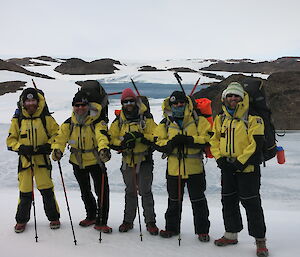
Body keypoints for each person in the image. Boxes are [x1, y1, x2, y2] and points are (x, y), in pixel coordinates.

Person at [210, 82, 269, 257]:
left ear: (243, 98)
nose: (233, 99)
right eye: (230, 96)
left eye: (236, 96)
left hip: (248, 169)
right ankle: (231, 234)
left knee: (251, 204)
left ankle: (260, 241)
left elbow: (256, 143)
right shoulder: (221, 118)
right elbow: (214, 140)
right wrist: (220, 159)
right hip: (227, 168)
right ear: (224, 98)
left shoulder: (253, 118)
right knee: (228, 201)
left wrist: (240, 162)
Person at [51, 90, 112, 233]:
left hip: (96, 161)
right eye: (77, 105)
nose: (80, 108)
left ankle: (101, 221)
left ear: (88, 105)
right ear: (73, 106)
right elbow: (60, 138)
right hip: (77, 162)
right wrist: (57, 150)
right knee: (85, 191)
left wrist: (104, 149)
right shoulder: (69, 123)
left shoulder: (97, 121)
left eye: (83, 105)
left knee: (102, 192)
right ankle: (91, 216)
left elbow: (101, 135)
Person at [154, 91, 211, 242]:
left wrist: (188, 140)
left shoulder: (198, 120)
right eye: (175, 103)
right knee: (174, 201)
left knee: (198, 201)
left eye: (181, 102)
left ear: (186, 103)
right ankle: (171, 229)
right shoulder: (165, 122)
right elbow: (158, 141)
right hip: (174, 170)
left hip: (195, 169)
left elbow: (207, 138)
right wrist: (171, 143)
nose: (179, 105)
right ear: (170, 105)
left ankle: (202, 231)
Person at [7, 87, 60, 233]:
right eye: (28, 101)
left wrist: (49, 145)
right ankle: (21, 220)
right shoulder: (17, 120)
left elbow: (57, 134)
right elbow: (10, 141)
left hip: (42, 161)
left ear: (38, 101)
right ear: (23, 103)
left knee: (47, 190)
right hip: (25, 162)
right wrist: (20, 147)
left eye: (33, 100)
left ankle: (53, 217)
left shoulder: (46, 118)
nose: (30, 103)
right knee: (25, 192)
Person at [109, 88, 158, 235]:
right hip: (128, 161)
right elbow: (111, 138)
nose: (129, 104)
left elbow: (156, 135)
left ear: (136, 101)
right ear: (122, 103)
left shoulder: (146, 118)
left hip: (144, 160)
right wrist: (123, 143)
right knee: (130, 191)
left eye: (131, 101)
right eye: (125, 101)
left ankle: (150, 222)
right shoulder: (119, 120)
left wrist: (141, 137)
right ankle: (128, 221)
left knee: (145, 191)